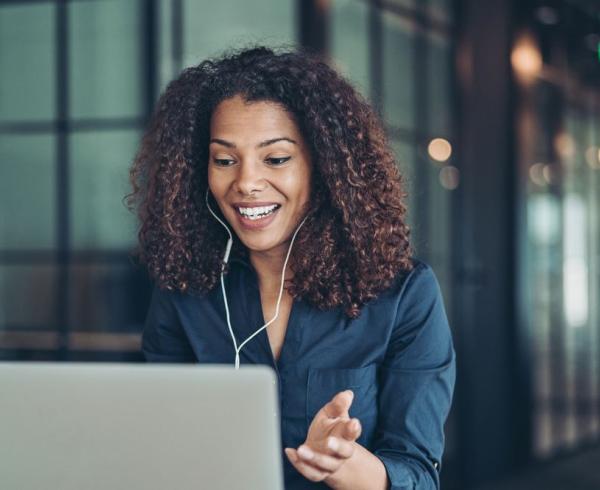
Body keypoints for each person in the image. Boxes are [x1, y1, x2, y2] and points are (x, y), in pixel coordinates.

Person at [127, 45, 456, 490]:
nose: (245, 182)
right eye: (224, 160)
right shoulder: (184, 289)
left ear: (325, 167)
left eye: (276, 158)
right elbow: (160, 446)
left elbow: (418, 473)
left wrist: (348, 466)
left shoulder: (402, 294)